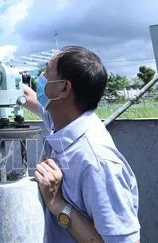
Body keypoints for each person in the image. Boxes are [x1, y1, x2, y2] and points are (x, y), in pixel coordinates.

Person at [23, 46, 140, 243]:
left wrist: (57, 204)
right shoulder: (62, 120)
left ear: (64, 88)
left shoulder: (97, 162)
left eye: (46, 71)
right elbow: (29, 97)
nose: (40, 78)